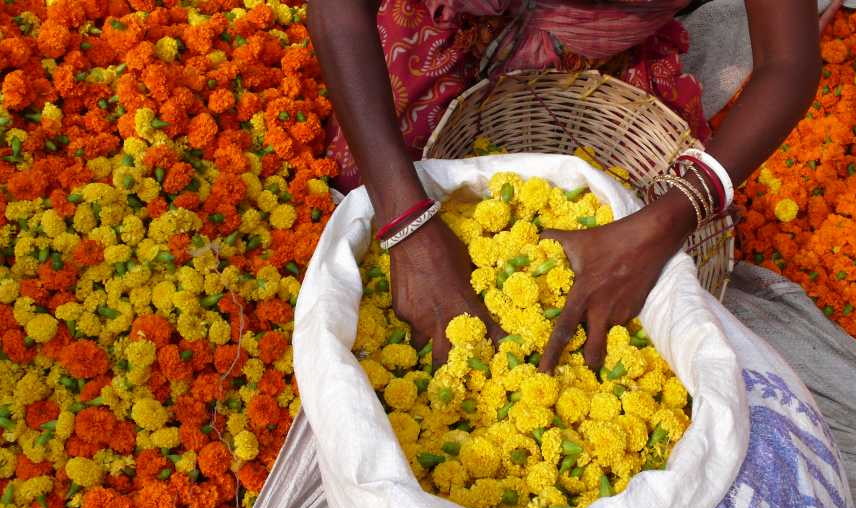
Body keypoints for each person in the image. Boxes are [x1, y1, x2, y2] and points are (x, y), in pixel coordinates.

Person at [307, 0, 829, 370]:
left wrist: (664, 221)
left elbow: (788, 63)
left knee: (649, 281)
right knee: (358, 195)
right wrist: (408, 226)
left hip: (594, 70)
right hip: (440, 36)